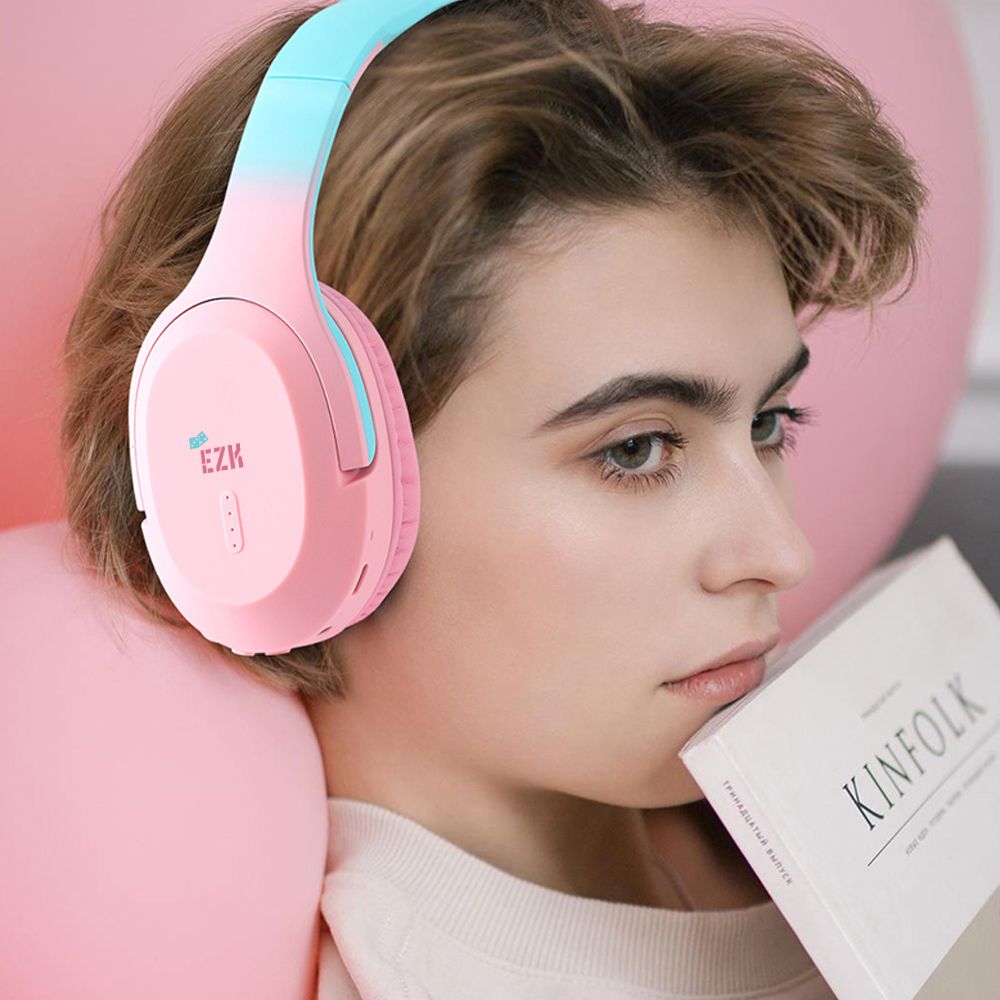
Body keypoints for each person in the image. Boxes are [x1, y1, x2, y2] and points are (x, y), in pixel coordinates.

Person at [59, 0, 928, 995]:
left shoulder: (813, 815)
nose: (782, 552)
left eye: (769, 423)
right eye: (637, 448)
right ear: (283, 485)